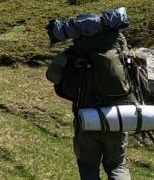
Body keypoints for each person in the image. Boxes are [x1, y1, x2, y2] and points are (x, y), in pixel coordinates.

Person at [48, 31, 135, 180]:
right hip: (117, 119)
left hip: (87, 120)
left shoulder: (75, 53)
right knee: (117, 165)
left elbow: (53, 78)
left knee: (88, 167)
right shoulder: (118, 49)